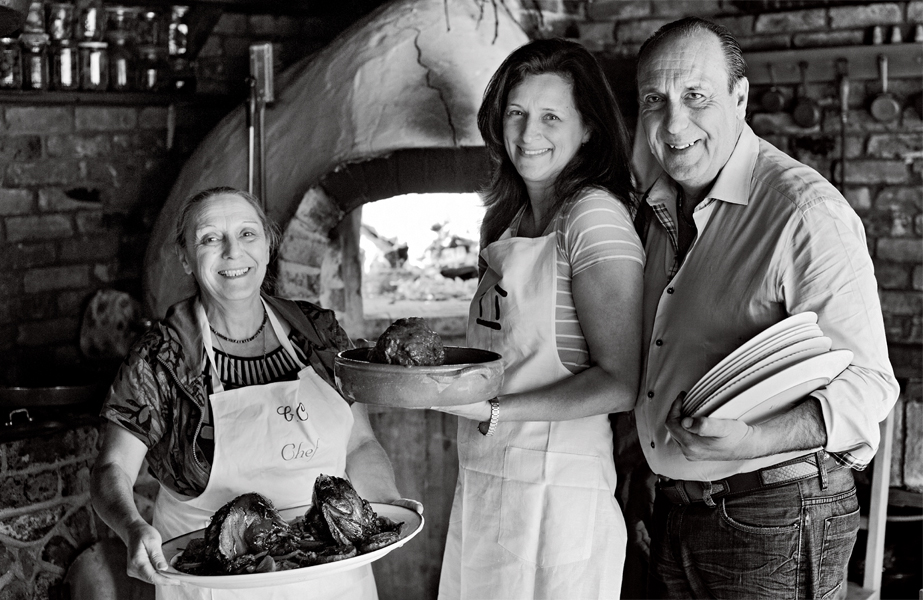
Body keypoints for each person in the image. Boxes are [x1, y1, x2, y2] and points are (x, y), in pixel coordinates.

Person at [632, 17, 900, 599]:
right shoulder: (657, 207)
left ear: (740, 97)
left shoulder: (804, 213)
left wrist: (752, 438)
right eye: (655, 100)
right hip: (674, 511)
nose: (674, 123)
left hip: (775, 514)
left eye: (696, 97)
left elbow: (872, 386)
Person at [91, 186, 418, 600]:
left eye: (248, 234)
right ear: (185, 258)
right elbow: (111, 471)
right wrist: (132, 525)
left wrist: (384, 508)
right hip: (215, 578)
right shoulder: (161, 359)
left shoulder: (319, 334)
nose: (232, 251)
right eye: (210, 238)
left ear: (268, 244)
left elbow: (359, 445)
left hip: (331, 575)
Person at [434, 38, 644, 600]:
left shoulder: (593, 217)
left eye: (551, 116)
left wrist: (496, 409)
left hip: (560, 496)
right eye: (517, 113)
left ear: (589, 129)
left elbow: (622, 382)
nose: (528, 134)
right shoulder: (507, 222)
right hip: (487, 478)